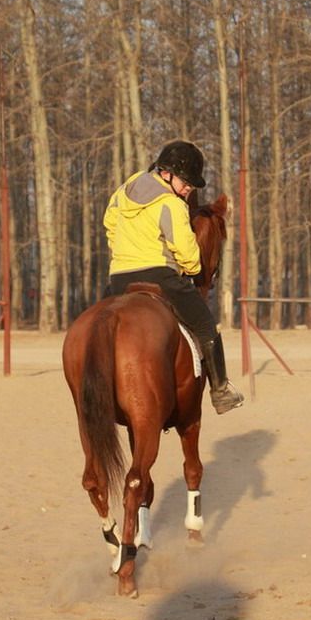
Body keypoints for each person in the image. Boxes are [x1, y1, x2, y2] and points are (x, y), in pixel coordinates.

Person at [103, 139, 244, 415]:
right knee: (205, 324)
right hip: (160, 277)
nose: (189, 188)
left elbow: (110, 224)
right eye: (186, 182)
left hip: (118, 278)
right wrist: (191, 269)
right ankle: (221, 390)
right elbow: (188, 255)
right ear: (166, 173)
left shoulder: (125, 190)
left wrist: (122, 252)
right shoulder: (171, 204)